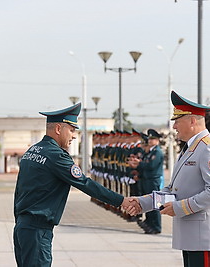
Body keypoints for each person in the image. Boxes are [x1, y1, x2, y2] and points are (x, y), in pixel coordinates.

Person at [13, 103, 139, 267]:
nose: (73, 136)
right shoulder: (57, 156)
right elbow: (86, 184)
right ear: (58, 128)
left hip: (22, 227)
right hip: (37, 230)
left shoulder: (32, 151)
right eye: (71, 130)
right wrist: (121, 201)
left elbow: (19, 191)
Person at [129, 91, 210, 267]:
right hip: (193, 236)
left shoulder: (209, 148)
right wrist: (142, 203)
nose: (174, 126)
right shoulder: (190, 148)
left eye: (177, 120)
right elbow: (173, 190)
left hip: (204, 237)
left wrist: (179, 207)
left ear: (192, 121)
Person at [128, 129, 164, 234]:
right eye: (149, 139)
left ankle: (156, 226)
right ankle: (149, 223)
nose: (150, 141)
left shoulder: (157, 152)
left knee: (154, 204)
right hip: (146, 180)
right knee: (148, 204)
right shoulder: (150, 152)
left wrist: (139, 164)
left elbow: (151, 166)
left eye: (152, 139)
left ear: (157, 140)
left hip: (153, 180)